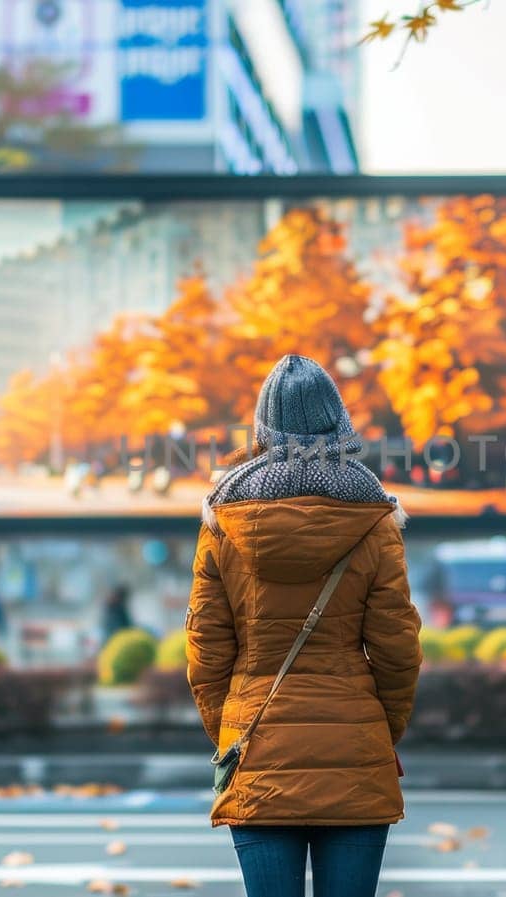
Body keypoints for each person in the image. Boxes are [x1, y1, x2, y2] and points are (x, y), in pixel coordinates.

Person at [185, 355, 421, 897]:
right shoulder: (374, 517)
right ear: (337, 422)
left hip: (258, 750)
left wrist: (231, 736)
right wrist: (381, 733)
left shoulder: (223, 521)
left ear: (263, 429)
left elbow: (206, 654)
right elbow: (398, 650)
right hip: (355, 751)